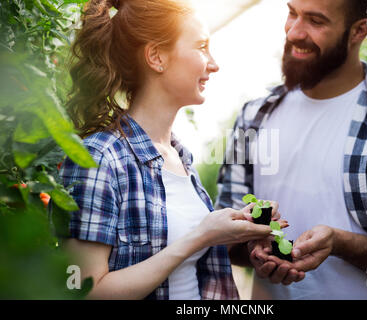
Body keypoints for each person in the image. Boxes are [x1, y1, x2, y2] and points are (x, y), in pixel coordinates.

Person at [216, 0, 367, 299]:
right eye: (292, 13)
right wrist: (252, 246)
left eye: (316, 21)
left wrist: (342, 243)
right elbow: (222, 238)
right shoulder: (254, 117)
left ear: (359, 30)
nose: (294, 32)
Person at [59, 0, 275, 300]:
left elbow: (181, 263)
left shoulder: (179, 157)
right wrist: (200, 236)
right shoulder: (99, 158)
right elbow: (83, 290)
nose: (214, 64)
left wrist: (240, 231)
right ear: (156, 56)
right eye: (201, 46)